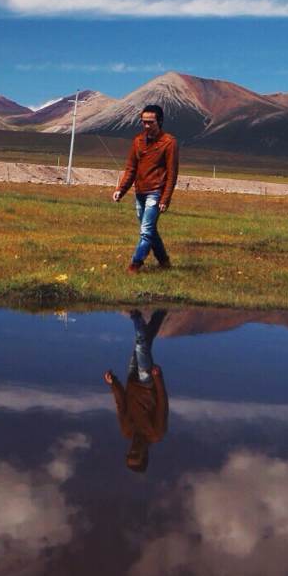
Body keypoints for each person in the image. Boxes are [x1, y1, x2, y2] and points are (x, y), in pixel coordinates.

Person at [112, 103, 178, 273]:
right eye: (144, 122)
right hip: (139, 192)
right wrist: (121, 189)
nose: (147, 125)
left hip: (155, 193)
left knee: (146, 231)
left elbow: (172, 174)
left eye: (151, 122)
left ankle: (135, 264)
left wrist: (165, 199)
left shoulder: (169, 143)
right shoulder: (138, 141)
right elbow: (131, 169)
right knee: (150, 231)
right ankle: (164, 261)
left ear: (160, 121)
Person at [104, 308, 168, 473]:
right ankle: (135, 314)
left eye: (129, 453)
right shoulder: (156, 433)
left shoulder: (126, 431)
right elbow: (162, 405)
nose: (132, 450)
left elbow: (121, 404)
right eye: (136, 454)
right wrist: (158, 379)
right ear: (144, 454)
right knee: (141, 345)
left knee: (144, 343)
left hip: (131, 379)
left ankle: (160, 313)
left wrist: (113, 383)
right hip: (147, 382)